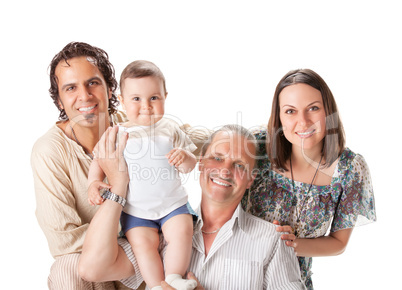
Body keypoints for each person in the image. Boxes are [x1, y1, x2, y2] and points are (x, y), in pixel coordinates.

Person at [79, 124, 306, 289]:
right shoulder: (160, 232)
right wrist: (118, 186)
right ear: (200, 164)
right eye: (217, 158)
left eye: (238, 164)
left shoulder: (272, 241)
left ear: (250, 179)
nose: (225, 170)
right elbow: (91, 268)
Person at [241, 69, 376, 289]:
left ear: (328, 112)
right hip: (235, 275)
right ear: (279, 117)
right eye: (290, 111)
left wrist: (291, 244)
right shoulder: (256, 145)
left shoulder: (350, 168)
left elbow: (338, 243)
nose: (302, 122)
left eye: (313, 108)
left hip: (292, 281)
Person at [87, 60, 198, 290]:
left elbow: (190, 165)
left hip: (173, 204)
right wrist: (93, 182)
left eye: (154, 98)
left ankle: (174, 277)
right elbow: (99, 159)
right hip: (136, 211)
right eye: (136, 99)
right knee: (143, 245)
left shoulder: (171, 129)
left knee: (182, 232)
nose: (146, 106)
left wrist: (185, 158)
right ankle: (156, 285)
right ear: (123, 100)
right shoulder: (118, 133)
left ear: (165, 96)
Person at [31, 42, 131, 289]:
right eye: (71, 88)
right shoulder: (49, 151)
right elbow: (64, 241)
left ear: (109, 89)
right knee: (67, 267)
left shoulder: (133, 127)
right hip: (101, 265)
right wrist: (133, 241)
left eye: (93, 83)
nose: (85, 96)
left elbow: (187, 137)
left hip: (146, 258)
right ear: (60, 102)